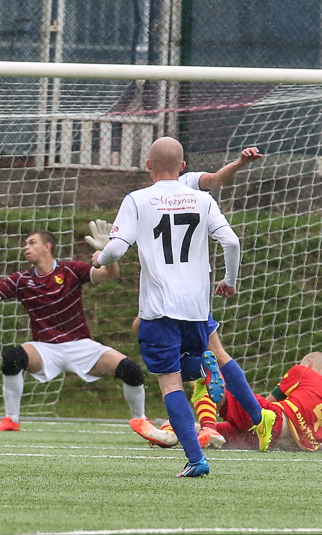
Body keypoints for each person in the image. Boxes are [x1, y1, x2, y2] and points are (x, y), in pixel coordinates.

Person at [93, 136, 276, 478]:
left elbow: (116, 250)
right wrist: (230, 280)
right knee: (197, 363)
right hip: (197, 308)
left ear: (148, 165)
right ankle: (207, 376)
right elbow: (232, 241)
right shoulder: (202, 198)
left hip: (160, 309)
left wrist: (100, 258)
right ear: (183, 166)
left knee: (169, 382)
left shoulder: (137, 200)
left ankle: (196, 458)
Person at [0, 226, 172, 445]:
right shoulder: (21, 280)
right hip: (45, 349)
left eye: (32, 242)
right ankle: (11, 419)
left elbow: (110, 274)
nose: (26, 247)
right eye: (26, 244)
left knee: (131, 370)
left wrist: (107, 254)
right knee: (13, 358)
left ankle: (141, 421)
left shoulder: (71, 270)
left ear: (47, 247)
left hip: (80, 346)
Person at [209, 352, 322, 453]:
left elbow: (269, 401)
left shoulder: (303, 371)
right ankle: (202, 430)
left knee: (235, 400)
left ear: (309, 364)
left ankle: (211, 378)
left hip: (274, 420)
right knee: (221, 435)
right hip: (275, 442)